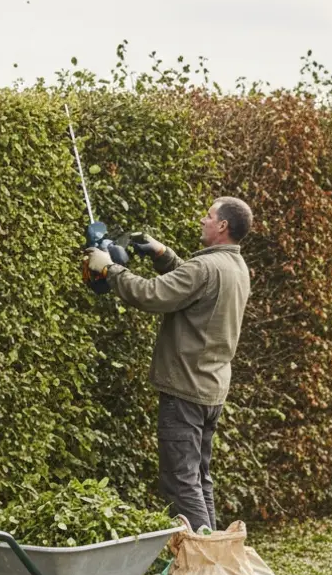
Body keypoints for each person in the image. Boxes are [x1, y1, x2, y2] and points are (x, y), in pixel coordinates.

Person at [82, 196, 253, 533]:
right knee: (199, 480)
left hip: (185, 392)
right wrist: (163, 255)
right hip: (210, 390)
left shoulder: (206, 267)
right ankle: (216, 559)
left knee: (180, 484)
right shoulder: (235, 267)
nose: (202, 220)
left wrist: (109, 267)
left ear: (222, 226)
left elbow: (152, 295)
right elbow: (191, 288)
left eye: (208, 216)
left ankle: (206, 565)